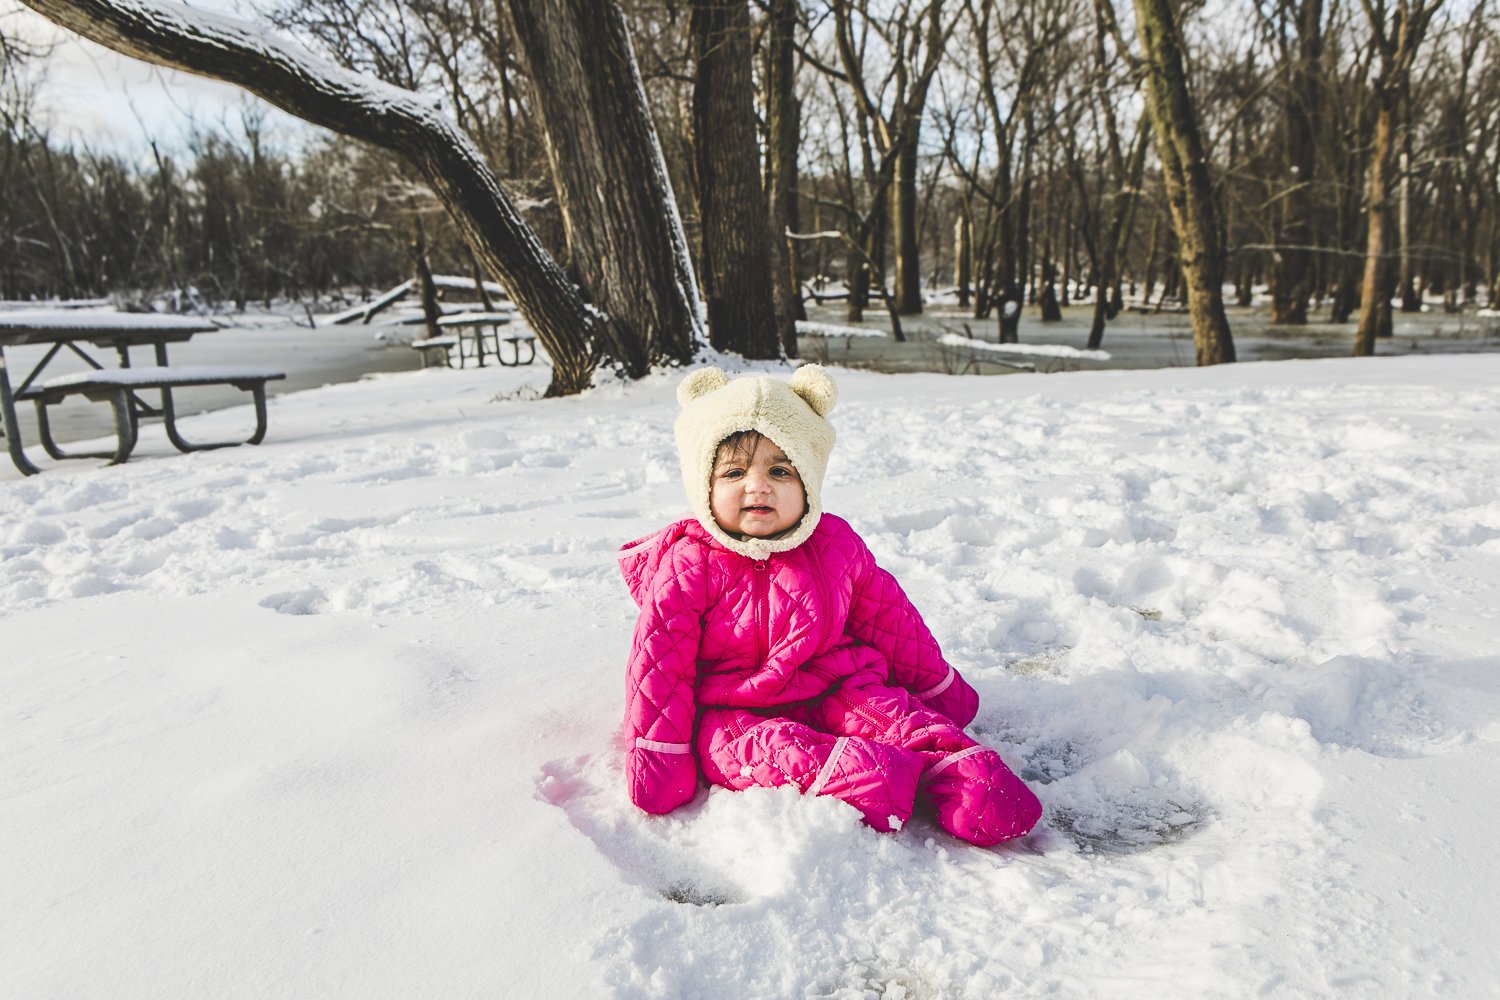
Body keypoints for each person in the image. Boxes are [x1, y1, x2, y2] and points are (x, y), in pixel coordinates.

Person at [618, 365, 1041, 846]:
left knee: (900, 721)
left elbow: (890, 620)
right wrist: (658, 757)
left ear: (809, 483)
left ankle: (962, 776)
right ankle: (873, 779)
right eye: (734, 472)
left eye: (780, 470)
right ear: (704, 486)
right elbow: (659, 667)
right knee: (779, 754)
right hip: (734, 711)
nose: (758, 486)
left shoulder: (833, 544)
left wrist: (938, 691)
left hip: (837, 686)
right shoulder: (689, 565)